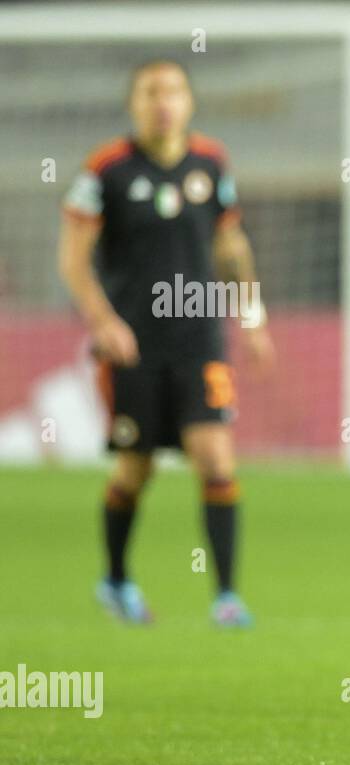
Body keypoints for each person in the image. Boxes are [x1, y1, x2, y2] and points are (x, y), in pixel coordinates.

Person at [59, 59, 274, 627]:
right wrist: (104, 322)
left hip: (200, 337)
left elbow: (230, 246)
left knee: (216, 459)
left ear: (189, 102)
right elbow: (73, 261)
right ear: (134, 104)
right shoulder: (104, 170)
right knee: (135, 469)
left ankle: (227, 597)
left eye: (173, 91)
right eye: (151, 92)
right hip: (133, 345)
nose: (163, 102)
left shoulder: (210, 163)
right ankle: (115, 580)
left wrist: (251, 317)